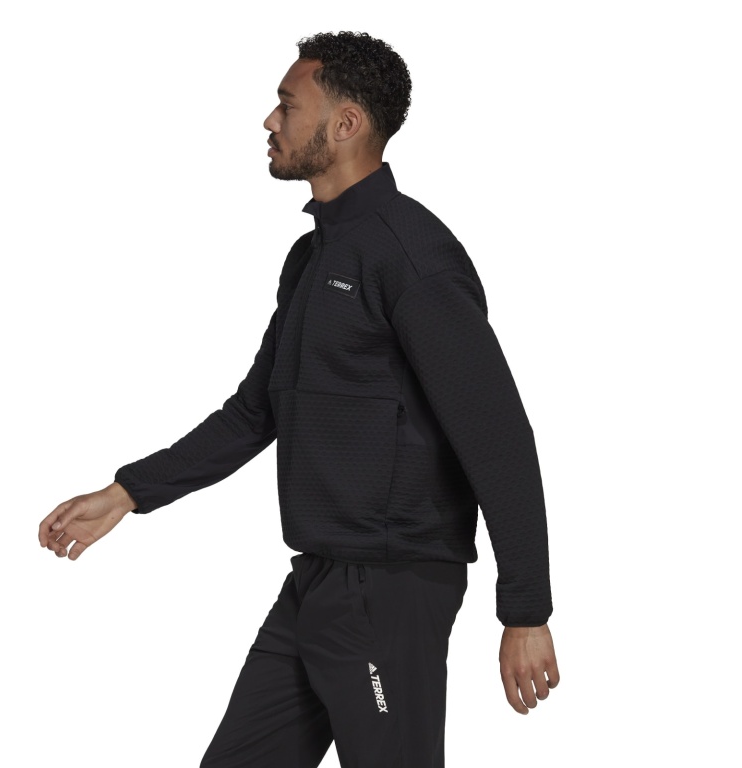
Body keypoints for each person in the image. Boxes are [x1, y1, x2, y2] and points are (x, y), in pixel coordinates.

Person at [39, 31, 560, 767]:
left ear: (345, 124)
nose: (270, 120)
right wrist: (130, 491)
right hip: (317, 579)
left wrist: (526, 611)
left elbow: (496, 434)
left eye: (287, 104)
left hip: (392, 588)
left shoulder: (411, 256)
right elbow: (256, 411)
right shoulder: (313, 257)